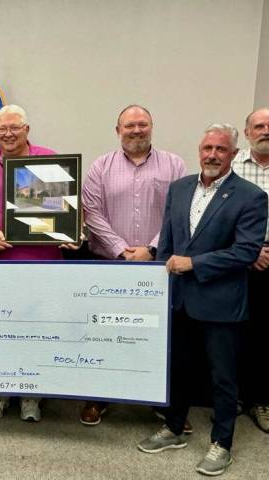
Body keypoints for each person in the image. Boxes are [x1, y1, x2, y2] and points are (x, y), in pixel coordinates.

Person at [137, 124, 267, 477]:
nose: (212, 155)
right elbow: (168, 240)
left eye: (221, 150)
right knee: (178, 369)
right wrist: (159, 283)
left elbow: (246, 251)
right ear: (199, 149)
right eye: (207, 147)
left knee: (222, 376)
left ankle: (221, 442)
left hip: (221, 302)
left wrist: (194, 263)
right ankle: (174, 427)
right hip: (179, 299)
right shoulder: (179, 188)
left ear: (233, 153)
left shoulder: (251, 196)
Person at [80, 105, 186, 425]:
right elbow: (92, 213)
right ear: (118, 130)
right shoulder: (101, 167)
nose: (136, 130)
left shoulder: (175, 165)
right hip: (110, 264)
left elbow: (179, 212)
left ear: (152, 127)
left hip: (159, 268)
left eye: (142, 124)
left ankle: (163, 403)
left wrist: (151, 248)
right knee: (103, 333)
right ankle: (98, 398)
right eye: (130, 125)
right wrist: (121, 250)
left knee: (157, 337)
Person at [0, 104, 57, 422]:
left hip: (41, 262)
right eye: (1, 129)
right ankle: (0, 391)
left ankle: (32, 395)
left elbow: (63, 209)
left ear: (27, 129)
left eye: (14, 127)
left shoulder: (47, 160)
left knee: (37, 330)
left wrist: (66, 230)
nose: (7, 133)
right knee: (0, 329)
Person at [231, 107, 269, 433]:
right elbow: (217, 215)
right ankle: (237, 397)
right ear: (247, 133)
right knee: (238, 334)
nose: (265, 131)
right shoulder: (230, 167)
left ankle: (262, 400)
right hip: (239, 261)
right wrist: (250, 251)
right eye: (258, 126)